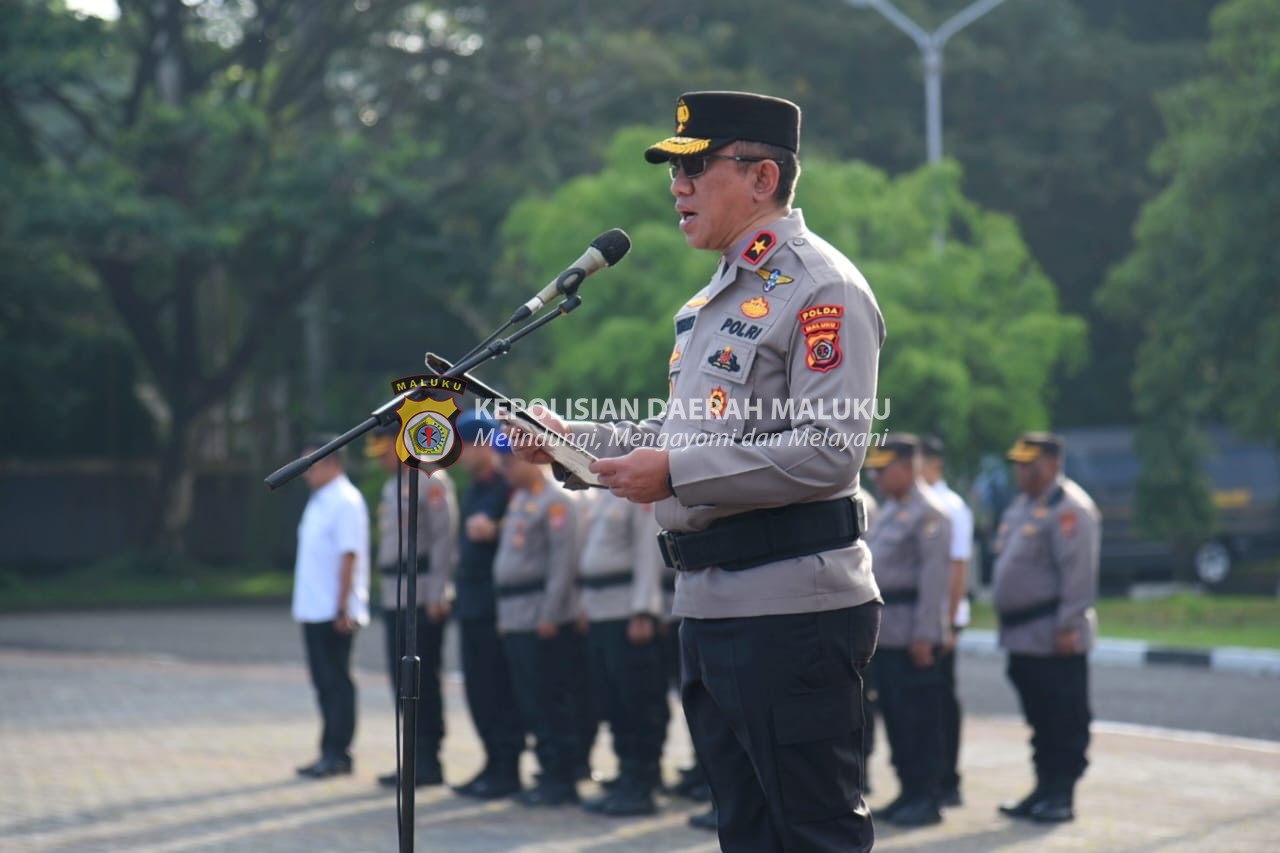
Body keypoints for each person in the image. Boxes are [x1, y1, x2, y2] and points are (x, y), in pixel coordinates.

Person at [511, 90, 885, 852]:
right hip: (711, 604)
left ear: (762, 178)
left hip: (793, 607)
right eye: (672, 171)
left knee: (813, 835)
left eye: (694, 166)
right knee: (745, 835)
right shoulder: (712, 302)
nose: (676, 186)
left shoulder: (822, 288)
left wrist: (677, 472)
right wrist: (568, 441)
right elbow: (683, 435)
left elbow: (830, 448)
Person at [993, 432, 1100, 824]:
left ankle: (1061, 795)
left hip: (1056, 635)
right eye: (1018, 463)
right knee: (1039, 718)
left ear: (1053, 464)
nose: (1021, 470)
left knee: (1063, 718)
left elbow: (1078, 575)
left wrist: (1070, 624)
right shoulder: (1024, 504)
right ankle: (1043, 789)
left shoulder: (1069, 508)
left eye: (1029, 463)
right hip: (1025, 637)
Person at [861, 434, 951, 827]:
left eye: (884, 469)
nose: (878, 478)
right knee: (896, 717)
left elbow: (934, 584)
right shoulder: (890, 512)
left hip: (912, 633)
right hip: (889, 633)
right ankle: (908, 792)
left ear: (906, 467)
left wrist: (924, 636)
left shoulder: (929, 514)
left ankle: (926, 797)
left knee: (919, 720)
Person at [366, 426, 457, 788]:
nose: (382, 460)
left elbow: (443, 542)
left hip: (422, 594)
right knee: (399, 679)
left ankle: (429, 759)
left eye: (385, 451)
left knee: (422, 680)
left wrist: (439, 593)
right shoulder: (392, 485)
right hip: (394, 592)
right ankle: (411, 758)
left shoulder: (431, 480)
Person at [493, 457, 583, 806]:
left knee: (550, 700)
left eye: (510, 462)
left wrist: (550, 613)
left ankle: (561, 777)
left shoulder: (557, 500)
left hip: (540, 615)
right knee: (530, 700)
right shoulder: (520, 498)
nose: (505, 469)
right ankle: (548, 771)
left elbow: (563, 564)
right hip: (516, 613)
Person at [576, 490, 670, 817]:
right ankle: (627, 775)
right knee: (612, 700)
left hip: (627, 612)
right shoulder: (604, 496)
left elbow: (648, 551)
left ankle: (641, 782)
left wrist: (644, 610)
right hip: (602, 611)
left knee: (636, 701)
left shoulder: (638, 494)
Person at [450, 413, 526, 800]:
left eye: (463, 445)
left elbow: (524, 536)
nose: (458, 455)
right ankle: (492, 760)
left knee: (498, 688)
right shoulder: (476, 487)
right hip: (471, 603)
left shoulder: (506, 485)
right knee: (479, 688)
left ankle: (507, 766)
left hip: (496, 605)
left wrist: (496, 531)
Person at [292, 436, 370, 779]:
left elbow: (349, 555)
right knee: (324, 684)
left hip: (333, 611)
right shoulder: (320, 499)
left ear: (333, 462)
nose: (307, 471)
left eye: (313, 463)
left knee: (337, 683)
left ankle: (339, 753)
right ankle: (328, 749)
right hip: (313, 607)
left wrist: (342, 608)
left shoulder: (345, 501)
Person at [920, 434, 974, 807]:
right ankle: (930, 776)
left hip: (941, 620)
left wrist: (951, 623)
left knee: (940, 703)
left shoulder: (950, 506)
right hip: (924, 620)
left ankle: (947, 779)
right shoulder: (920, 503)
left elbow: (958, 569)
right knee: (922, 703)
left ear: (935, 464)